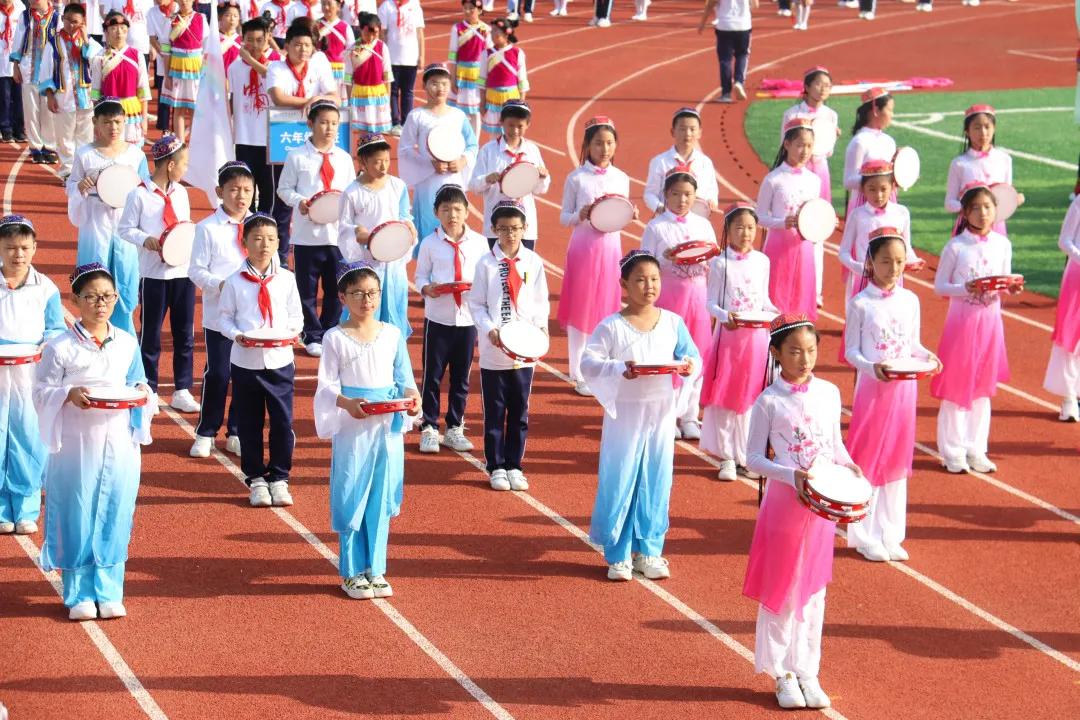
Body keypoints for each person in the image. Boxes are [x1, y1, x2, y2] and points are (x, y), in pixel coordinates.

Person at [742, 313, 860, 710]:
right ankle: (782, 673)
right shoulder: (768, 401)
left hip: (821, 508)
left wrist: (848, 465)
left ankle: (808, 669)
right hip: (785, 505)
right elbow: (753, 458)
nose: (804, 358)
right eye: (794, 351)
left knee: (813, 591)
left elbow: (833, 443)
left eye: (810, 350)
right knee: (783, 589)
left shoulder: (828, 393)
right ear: (775, 353)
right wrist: (791, 474)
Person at [34, 262, 156, 621]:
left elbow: (141, 384)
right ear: (76, 300)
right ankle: (78, 593)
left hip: (119, 443)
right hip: (77, 443)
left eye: (106, 296)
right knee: (77, 510)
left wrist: (139, 394)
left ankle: (109, 589)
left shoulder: (126, 343)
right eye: (90, 297)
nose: (100, 304)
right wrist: (68, 394)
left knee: (115, 511)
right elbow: (41, 391)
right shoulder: (59, 347)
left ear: (116, 299)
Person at [581, 249, 699, 581]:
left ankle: (650, 551)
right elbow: (588, 363)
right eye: (641, 280)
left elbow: (692, 357)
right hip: (626, 415)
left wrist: (690, 366)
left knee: (656, 480)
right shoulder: (612, 327)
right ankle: (617, 553)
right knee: (621, 478)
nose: (649, 286)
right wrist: (620, 368)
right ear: (624, 284)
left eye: (655, 279)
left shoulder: (673, 323)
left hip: (660, 414)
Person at [314, 261, 420, 600]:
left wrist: (412, 400)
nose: (366, 300)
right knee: (351, 493)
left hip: (387, 428)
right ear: (343, 297)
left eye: (372, 293)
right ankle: (351, 571)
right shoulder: (334, 338)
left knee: (381, 495)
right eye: (358, 293)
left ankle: (376, 569)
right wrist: (347, 404)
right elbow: (326, 385)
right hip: (353, 427)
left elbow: (405, 381)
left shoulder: (392, 334)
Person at [844, 230, 939, 562]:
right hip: (873, 389)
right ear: (871, 262)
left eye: (899, 261)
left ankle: (891, 532)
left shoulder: (910, 300)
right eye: (886, 261)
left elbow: (913, 344)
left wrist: (929, 357)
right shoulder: (860, 303)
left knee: (898, 461)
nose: (894, 267)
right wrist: (873, 368)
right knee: (870, 459)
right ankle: (863, 533)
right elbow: (851, 352)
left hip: (904, 391)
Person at [218, 213, 304, 507]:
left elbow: (296, 317)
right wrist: (237, 335)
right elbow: (224, 318)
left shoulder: (287, 280)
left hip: (280, 361)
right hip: (246, 362)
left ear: (279, 242)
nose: (264, 244)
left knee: (282, 422)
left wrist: (291, 333)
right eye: (256, 238)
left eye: (270, 238)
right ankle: (255, 478)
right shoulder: (234, 282)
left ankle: (280, 477)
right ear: (244, 243)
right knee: (249, 423)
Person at [930, 182, 1017, 474]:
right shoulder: (955, 246)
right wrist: (964, 288)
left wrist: (1011, 288)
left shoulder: (1002, 245)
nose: (982, 213)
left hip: (991, 326)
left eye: (988, 207)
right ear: (965, 213)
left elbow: (1003, 282)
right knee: (957, 387)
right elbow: (940, 286)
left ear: (996, 211)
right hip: (962, 326)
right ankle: (952, 450)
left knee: (982, 389)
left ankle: (976, 448)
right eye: (976, 208)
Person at [467, 200, 549, 491]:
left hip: (524, 349)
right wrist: (489, 329)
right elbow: (475, 303)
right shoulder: (486, 264)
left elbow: (541, 301)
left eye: (516, 229)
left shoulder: (533, 262)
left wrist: (539, 331)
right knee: (495, 410)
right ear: (494, 230)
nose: (511, 235)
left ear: (525, 229)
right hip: (495, 351)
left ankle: (515, 464)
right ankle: (495, 465)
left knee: (520, 410)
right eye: (504, 229)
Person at [118, 133, 202, 414]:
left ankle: (182, 388)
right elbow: (125, 229)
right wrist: (146, 240)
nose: (185, 169)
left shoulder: (182, 193)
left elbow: (185, 228)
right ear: (169, 165)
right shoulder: (139, 194)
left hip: (183, 274)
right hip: (153, 275)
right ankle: (149, 388)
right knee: (151, 335)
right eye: (184, 164)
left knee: (184, 334)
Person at [558, 115, 635, 395]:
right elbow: (563, 217)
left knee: (607, 307)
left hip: (611, 249)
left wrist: (630, 215)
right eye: (598, 143)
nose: (604, 148)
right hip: (583, 248)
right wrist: (578, 215)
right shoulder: (576, 178)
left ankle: (603, 367)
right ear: (587, 145)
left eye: (609, 142)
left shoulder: (621, 178)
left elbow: (620, 215)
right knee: (581, 308)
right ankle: (577, 371)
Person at [700, 203, 777, 481]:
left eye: (751, 228)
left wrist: (776, 316)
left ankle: (746, 454)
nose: (745, 233)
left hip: (756, 339)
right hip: (730, 339)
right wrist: (725, 316)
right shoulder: (720, 263)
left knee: (750, 398)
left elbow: (764, 300)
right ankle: (726, 457)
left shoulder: (762, 261)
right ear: (728, 230)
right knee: (726, 396)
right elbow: (710, 303)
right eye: (739, 227)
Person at [0, 215, 66, 537]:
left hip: (29, 375)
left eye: (24, 247)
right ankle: (1, 508)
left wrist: (43, 347)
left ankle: (26, 507)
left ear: (35, 248)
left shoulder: (46, 289)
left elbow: (56, 330)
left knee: (29, 439)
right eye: (10, 247)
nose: (18, 254)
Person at [640, 169, 715, 439]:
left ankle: (690, 415)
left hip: (698, 299)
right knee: (669, 355)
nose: (682, 200)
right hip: (670, 297)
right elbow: (645, 264)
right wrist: (666, 258)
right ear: (666, 195)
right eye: (675, 194)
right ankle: (667, 415)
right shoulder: (656, 227)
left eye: (687, 195)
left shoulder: (703, 225)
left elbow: (713, 262)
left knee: (697, 354)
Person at [188, 160, 255, 458]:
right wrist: (223, 285)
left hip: (252, 316)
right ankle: (206, 431)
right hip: (219, 315)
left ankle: (237, 430)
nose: (240, 197)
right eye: (233, 190)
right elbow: (196, 271)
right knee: (219, 373)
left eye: (246, 190)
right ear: (219, 191)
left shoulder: (260, 226)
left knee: (246, 375)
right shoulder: (207, 229)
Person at [413, 183, 486, 454]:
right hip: (438, 318)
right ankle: (429, 426)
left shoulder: (478, 243)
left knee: (461, 378)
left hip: (467, 320)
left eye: (457, 209)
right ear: (436, 212)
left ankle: (455, 426)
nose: (452, 215)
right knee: (432, 375)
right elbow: (420, 276)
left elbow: (484, 277)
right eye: (445, 210)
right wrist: (426, 288)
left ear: (467, 212)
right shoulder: (430, 243)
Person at [67, 97, 149, 333]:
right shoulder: (85, 154)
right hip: (95, 223)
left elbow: (146, 190)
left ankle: (125, 335)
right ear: (96, 123)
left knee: (126, 279)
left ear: (125, 122)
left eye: (118, 122)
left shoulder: (135, 155)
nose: (113, 128)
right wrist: (80, 187)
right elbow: (72, 185)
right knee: (94, 277)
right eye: (107, 122)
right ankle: (93, 332)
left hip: (125, 223)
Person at [277, 100, 353, 356]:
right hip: (307, 236)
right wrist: (300, 202)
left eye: (334, 123)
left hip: (337, 237)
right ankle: (312, 333)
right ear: (310, 124)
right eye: (323, 122)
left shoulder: (343, 158)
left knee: (336, 288)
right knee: (306, 290)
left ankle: (330, 330)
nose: (329, 128)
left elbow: (352, 192)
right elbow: (284, 189)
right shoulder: (296, 156)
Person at [338, 132, 416, 337]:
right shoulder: (352, 192)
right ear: (363, 161)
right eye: (377, 162)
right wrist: (357, 233)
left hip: (394, 264)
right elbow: (344, 226)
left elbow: (404, 214)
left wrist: (409, 225)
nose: (383, 167)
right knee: (365, 313)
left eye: (386, 161)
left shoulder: (397, 186)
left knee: (395, 312)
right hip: (368, 264)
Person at [397, 62, 478, 241]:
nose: (439, 88)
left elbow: (472, 145)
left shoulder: (458, 116)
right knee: (429, 228)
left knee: (454, 224)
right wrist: (430, 164)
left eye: (444, 83)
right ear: (424, 85)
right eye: (434, 83)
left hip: (453, 179)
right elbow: (405, 149)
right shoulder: (416, 116)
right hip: (428, 183)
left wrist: (463, 161)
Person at [781, 66, 837, 304]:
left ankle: (815, 290)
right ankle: (790, 283)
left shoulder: (831, 115)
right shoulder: (792, 113)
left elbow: (829, 150)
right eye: (818, 84)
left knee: (818, 230)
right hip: (796, 172)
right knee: (791, 228)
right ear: (806, 86)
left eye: (827, 85)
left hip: (819, 172)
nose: (823, 89)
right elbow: (782, 144)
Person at [756, 115, 821, 321]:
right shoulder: (774, 179)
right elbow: (759, 217)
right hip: (778, 248)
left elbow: (815, 214)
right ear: (786, 144)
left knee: (800, 302)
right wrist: (782, 223)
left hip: (803, 249)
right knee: (777, 298)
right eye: (800, 145)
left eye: (809, 146)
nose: (805, 151)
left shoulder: (814, 181)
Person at [228, 14, 282, 247]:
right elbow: (231, 100)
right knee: (245, 188)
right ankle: (246, 234)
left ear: (268, 39)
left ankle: (267, 234)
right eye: (249, 39)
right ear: (242, 39)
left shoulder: (277, 64)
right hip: (244, 137)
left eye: (260, 40)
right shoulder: (233, 67)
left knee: (268, 190)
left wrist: (250, 59)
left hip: (269, 139)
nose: (254, 44)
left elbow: (269, 77)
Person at [468, 99, 548, 250]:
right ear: (501, 122)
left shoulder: (532, 151)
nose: (515, 130)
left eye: (520, 126)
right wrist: (487, 179)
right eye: (511, 125)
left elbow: (540, 189)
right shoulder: (488, 151)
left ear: (528, 125)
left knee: (524, 271)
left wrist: (542, 178)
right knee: (496, 270)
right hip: (496, 227)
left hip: (524, 228)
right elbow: (473, 186)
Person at [836, 160, 916, 304]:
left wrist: (913, 260)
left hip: (893, 281)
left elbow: (906, 247)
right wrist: (859, 267)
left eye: (883, 189)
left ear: (892, 187)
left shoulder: (902, 213)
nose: (878, 195)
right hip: (866, 281)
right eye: (872, 189)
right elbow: (843, 252)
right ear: (862, 189)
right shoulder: (857, 215)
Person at [39, 3, 100, 178]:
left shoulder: (90, 42)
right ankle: (67, 171)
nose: (71, 25)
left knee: (85, 137)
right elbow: (46, 70)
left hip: (85, 98)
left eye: (75, 22)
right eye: (68, 20)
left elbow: (95, 61)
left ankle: (82, 172)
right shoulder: (53, 42)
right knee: (64, 139)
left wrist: (86, 40)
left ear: (83, 22)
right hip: (63, 98)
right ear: (63, 19)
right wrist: (50, 96)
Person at [944, 104, 1023, 235]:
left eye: (987, 127)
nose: (983, 133)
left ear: (994, 129)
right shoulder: (959, 164)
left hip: (997, 228)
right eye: (977, 127)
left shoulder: (1004, 159)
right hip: (968, 228)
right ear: (967, 131)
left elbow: (1005, 194)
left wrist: (1015, 199)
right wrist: (968, 208)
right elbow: (949, 202)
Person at [643, 107, 719, 218]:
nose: (687, 134)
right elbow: (649, 193)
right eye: (682, 129)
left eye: (692, 129)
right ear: (672, 132)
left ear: (699, 133)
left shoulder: (705, 163)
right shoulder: (660, 162)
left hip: (696, 221)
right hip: (667, 220)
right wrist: (660, 208)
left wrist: (712, 201)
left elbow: (712, 190)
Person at [89, 11, 151, 145]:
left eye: (123, 29)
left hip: (131, 112)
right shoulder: (99, 58)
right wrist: (97, 119)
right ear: (106, 32)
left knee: (132, 155)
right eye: (113, 28)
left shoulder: (137, 55)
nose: (119, 32)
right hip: (108, 111)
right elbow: (95, 92)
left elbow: (143, 89)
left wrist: (144, 119)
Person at [10, 0, 60, 163]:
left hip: (49, 72)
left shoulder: (57, 18)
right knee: (31, 111)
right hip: (29, 68)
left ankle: (50, 147)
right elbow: (17, 43)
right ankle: (35, 147)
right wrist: (16, 67)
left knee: (49, 111)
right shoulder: (25, 17)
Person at [1045, 195, 1080, 422]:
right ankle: (1068, 397)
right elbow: (1064, 240)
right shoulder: (1079, 203)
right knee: (1071, 336)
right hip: (1077, 277)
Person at [159, 0, 209, 140]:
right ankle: (180, 143)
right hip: (177, 67)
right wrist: (167, 76)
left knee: (195, 107)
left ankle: (195, 142)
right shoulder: (170, 20)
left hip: (196, 67)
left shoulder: (201, 18)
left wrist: (205, 71)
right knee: (178, 108)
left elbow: (207, 47)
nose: (184, 2)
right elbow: (166, 50)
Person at [842, 86, 895, 215]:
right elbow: (848, 181)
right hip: (863, 206)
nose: (892, 115)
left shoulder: (889, 141)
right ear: (876, 110)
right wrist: (877, 179)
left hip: (888, 201)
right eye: (890, 110)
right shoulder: (859, 142)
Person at [376, 0, 423, 136]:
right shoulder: (386, 6)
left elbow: (420, 33)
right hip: (392, 57)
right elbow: (382, 33)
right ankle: (394, 121)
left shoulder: (415, 5)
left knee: (408, 92)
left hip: (410, 58)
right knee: (393, 92)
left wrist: (421, 56)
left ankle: (406, 123)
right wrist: (382, 55)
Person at [698, 0, 756, 104]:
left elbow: (710, 4)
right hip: (743, 25)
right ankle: (739, 82)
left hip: (725, 25)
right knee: (742, 55)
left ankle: (726, 93)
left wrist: (702, 23)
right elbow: (755, 5)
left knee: (725, 59)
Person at [478, 16, 527, 137]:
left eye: (496, 31)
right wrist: (482, 103)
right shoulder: (486, 54)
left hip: (511, 98)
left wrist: (522, 101)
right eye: (492, 31)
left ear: (506, 34)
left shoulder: (517, 53)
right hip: (493, 99)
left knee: (512, 134)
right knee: (495, 136)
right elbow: (482, 81)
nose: (493, 34)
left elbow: (522, 80)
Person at [344, 11, 391, 135]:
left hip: (378, 94)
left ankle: (376, 154)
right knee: (363, 132)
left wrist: (387, 99)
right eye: (366, 33)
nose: (370, 37)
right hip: (360, 94)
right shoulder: (354, 48)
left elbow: (387, 75)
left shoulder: (382, 47)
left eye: (374, 33)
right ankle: (363, 154)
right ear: (360, 29)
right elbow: (348, 76)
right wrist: (350, 101)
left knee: (377, 132)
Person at [447, 0, 488, 137]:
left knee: (475, 111)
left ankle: (474, 143)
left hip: (477, 76)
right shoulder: (457, 28)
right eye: (465, 8)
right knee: (459, 111)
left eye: (471, 8)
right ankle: (459, 140)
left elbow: (489, 57)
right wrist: (452, 78)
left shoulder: (486, 30)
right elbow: (452, 56)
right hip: (461, 74)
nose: (468, 11)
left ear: (480, 10)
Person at [0, 0, 27, 144]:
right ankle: (6, 129)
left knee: (19, 98)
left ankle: (19, 129)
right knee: (4, 98)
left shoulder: (20, 7)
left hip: (18, 61)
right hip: (2, 61)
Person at [316, 0, 354, 98]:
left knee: (340, 102)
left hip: (340, 72)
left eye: (329, 4)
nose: (326, 7)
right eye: (323, 4)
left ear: (338, 6)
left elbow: (351, 51)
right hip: (321, 70)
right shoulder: (315, 25)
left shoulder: (345, 27)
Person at [146, 0, 172, 132]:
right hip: (163, 56)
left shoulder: (179, 8)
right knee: (164, 94)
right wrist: (164, 54)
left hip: (182, 56)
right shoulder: (152, 12)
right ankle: (164, 128)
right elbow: (152, 38)